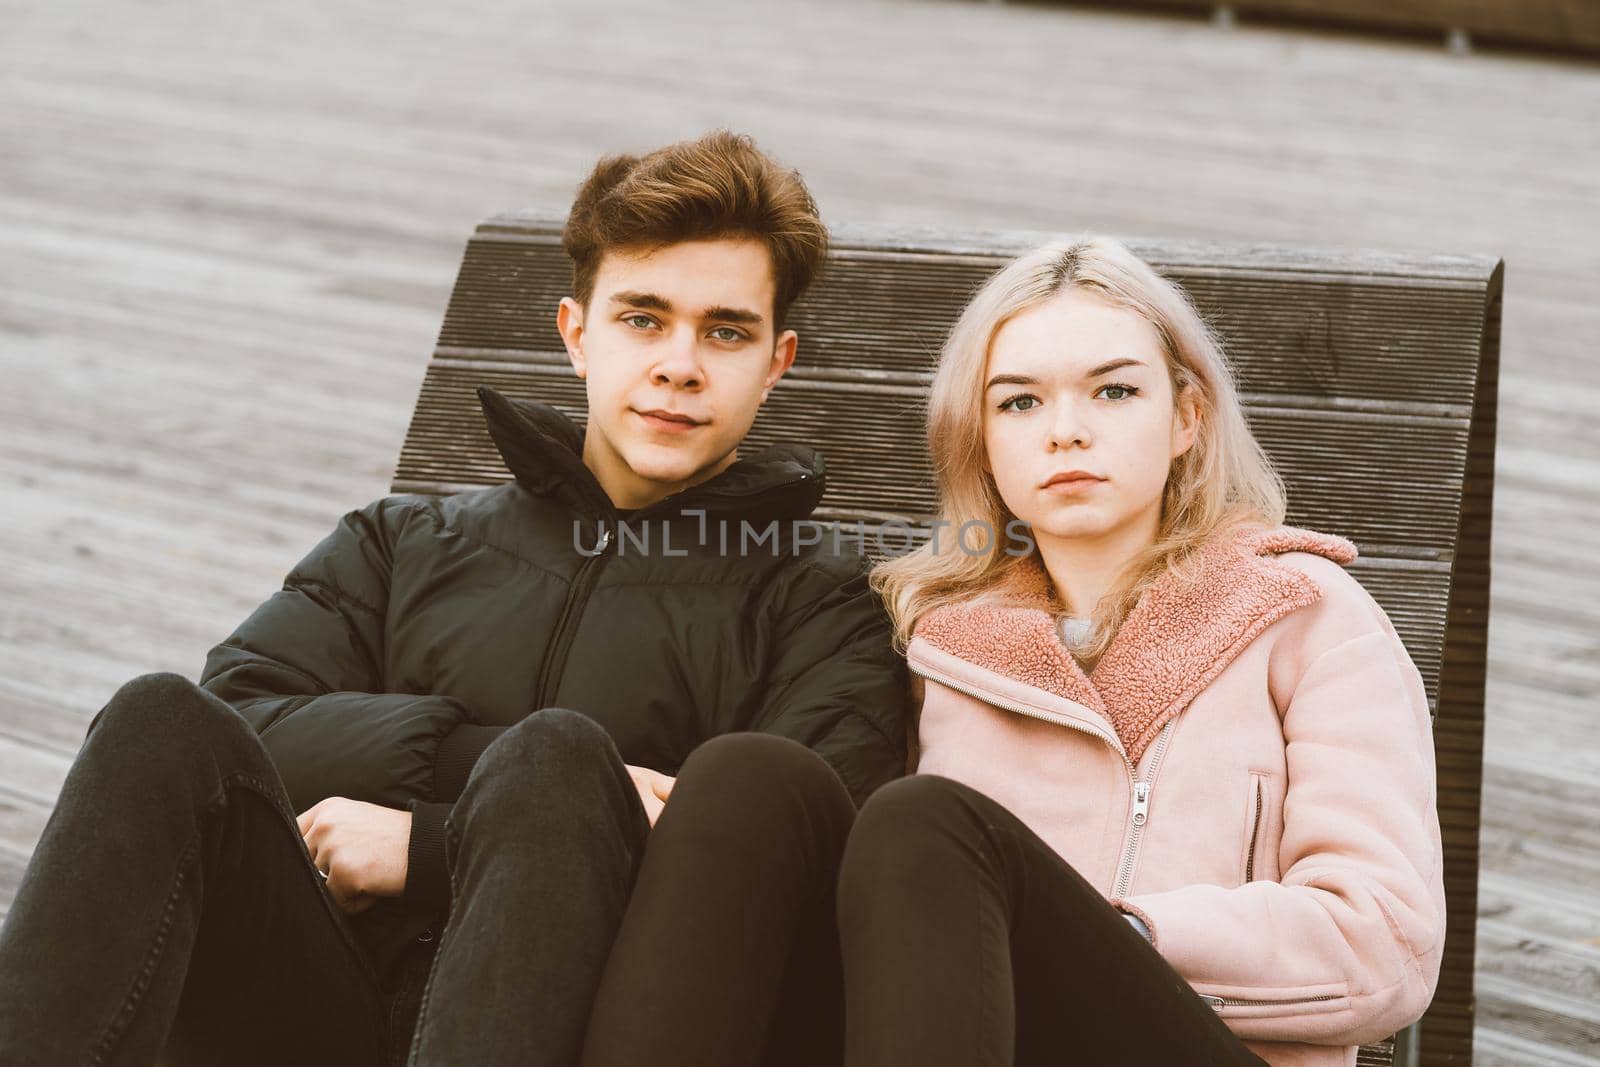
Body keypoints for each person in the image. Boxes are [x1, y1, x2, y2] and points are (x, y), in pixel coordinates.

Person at [0, 130, 910, 1067]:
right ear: (575, 334)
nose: (681, 363)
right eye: (643, 318)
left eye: (726, 330)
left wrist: (428, 845)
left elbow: (799, 857)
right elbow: (241, 722)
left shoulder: (821, 600)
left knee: (557, 755)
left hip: (581, 1022)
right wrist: (474, 768)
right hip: (316, 994)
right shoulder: (405, 542)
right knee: (157, 720)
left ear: (777, 361)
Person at [832, 237, 1446, 1067]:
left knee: (924, 820)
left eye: (1114, 391)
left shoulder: (1308, 616)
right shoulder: (936, 647)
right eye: (1019, 403)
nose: (1066, 432)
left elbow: (1385, 941)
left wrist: (1120, 935)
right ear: (978, 435)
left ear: (1187, 417)